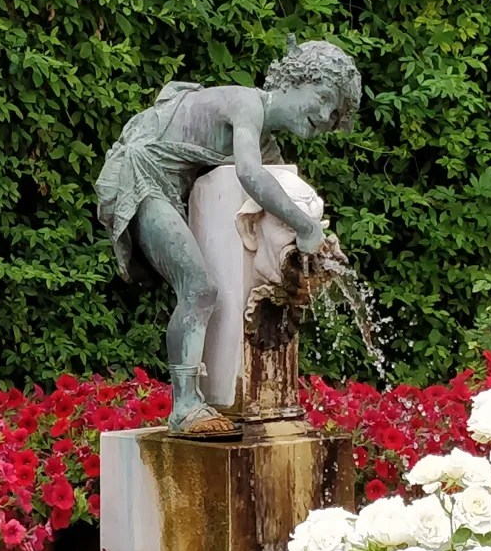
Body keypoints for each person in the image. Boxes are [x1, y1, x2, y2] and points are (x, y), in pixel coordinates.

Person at [96, 39, 362, 438]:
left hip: (167, 189)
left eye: (336, 112)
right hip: (140, 175)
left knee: (201, 289)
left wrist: (318, 240)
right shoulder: (246, 104)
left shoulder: (263, 143)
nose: (325, 114)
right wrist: (306, 229)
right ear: (296, 80)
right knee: (199, 288)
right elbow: (250, 177)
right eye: (324, 97)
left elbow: (282, 193)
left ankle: (195, 402)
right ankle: (184, 405)